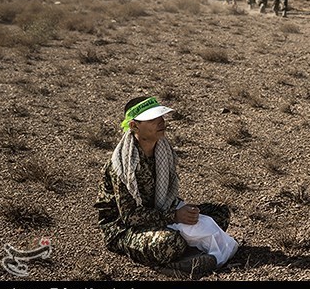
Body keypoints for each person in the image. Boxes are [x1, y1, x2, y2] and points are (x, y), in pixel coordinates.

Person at [95, 96, 237, 279]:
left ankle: (189, 252)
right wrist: (175, 216)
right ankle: (177, 261)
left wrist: (183, 212)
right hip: (124, 230)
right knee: (170, 243)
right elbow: (130, 217)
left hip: (160, 212)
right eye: (153, 119)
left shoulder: (162, 150)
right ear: (134, 126)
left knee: (220, 213)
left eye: (161, 117)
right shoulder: (122, 166)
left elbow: (166, 197)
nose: (161, 122)